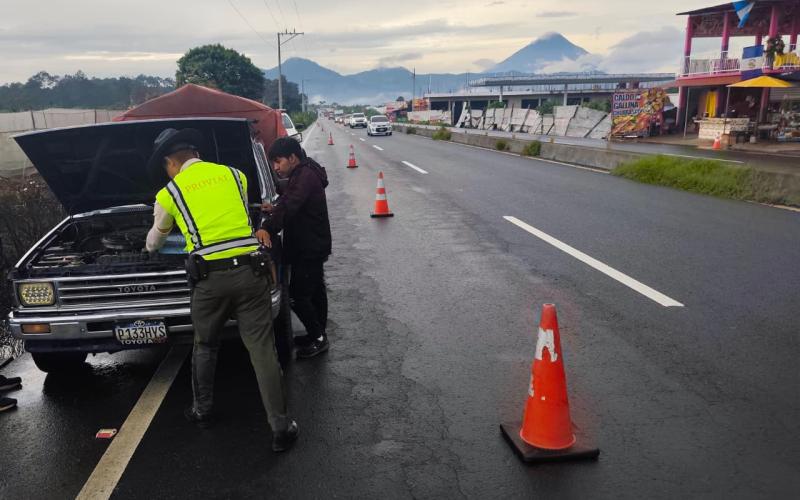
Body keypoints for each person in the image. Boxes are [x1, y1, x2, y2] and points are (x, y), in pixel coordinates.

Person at [144, 128, 297, 452]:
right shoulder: (235, 175)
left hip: (209, 282)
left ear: (170, 162)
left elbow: (155, 241)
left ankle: (202, 410)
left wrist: (150, 243)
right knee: (262, 350)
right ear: (196, 154)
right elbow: (232, 214)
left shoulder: (169, 193)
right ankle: (281, 427)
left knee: (205, 345)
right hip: (251, 272)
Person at [259, 137, 331, 359]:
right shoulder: (304, 172)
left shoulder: (304, 176)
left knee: (297, 296)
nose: (276, 167)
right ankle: (317, 333)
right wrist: (275, 208)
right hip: (312, 243)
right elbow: (290, 199)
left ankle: (318, 338)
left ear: (292, 158)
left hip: (308, 246)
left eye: (278, 161)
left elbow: (291, 205)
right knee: (315, 291)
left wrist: (267, 228)